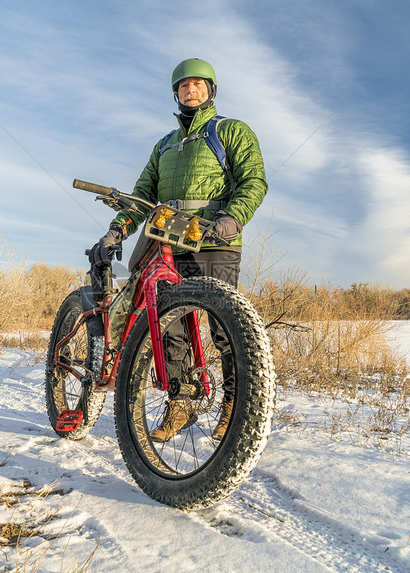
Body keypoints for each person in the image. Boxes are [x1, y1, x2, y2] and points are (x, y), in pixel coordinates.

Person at [90, 58, 267, 442]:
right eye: (184, 86)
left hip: (214, 240)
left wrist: (233, 217)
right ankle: (180, 405)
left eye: (199, 85)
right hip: (170, 239)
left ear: (211, 90)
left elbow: (254, 180)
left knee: (225, 325)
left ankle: (234, 409)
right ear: (176, 93)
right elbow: (141, 197)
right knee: (170, 325)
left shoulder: (230, 131)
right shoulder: (165, 145)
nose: (191, 90)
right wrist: (117, 229)